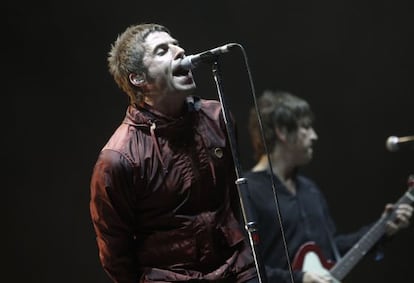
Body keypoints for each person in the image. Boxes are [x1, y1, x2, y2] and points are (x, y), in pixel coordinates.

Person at [89, 23, 258, 283]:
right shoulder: (118, 158)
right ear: (139, 78)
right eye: (161, 50)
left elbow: (232, 203)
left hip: (237, 270)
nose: (179, 51)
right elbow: (115, 253)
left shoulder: (217, 118)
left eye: (176, 44)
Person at [244, 90, 413, 283]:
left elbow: (333, 250)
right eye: (305, 127)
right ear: (282, 130)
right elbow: (244, 271)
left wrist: (383, 228)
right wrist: (300, 279)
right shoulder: (247, 192)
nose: (314, 136)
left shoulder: (310, 190)